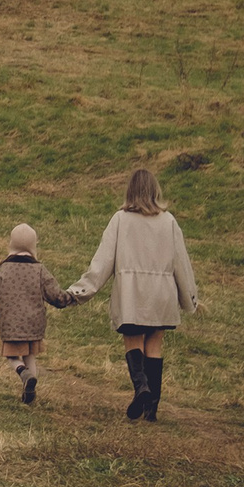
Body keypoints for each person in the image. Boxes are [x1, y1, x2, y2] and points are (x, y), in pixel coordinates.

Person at [67, 168, 200, 421]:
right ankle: (152, 410)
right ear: (155, 190)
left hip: (132, 294)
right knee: (154, 346)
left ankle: (141, 388)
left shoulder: (120, 219)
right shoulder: (169, 221)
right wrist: (190, 299)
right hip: (162, 295)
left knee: (133, 342)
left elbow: (103, 261)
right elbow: (181, 263)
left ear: (130, 191)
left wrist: (80, 292)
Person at [0, 222, 77, 404]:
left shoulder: (3, 269)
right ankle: (30, 395)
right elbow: (54, 294)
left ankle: (22, 372)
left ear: (11, 244)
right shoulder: (39, 270)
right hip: (34, 324)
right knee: (30, 356)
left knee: (12, 357)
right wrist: (69, 299)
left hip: (10, 325)